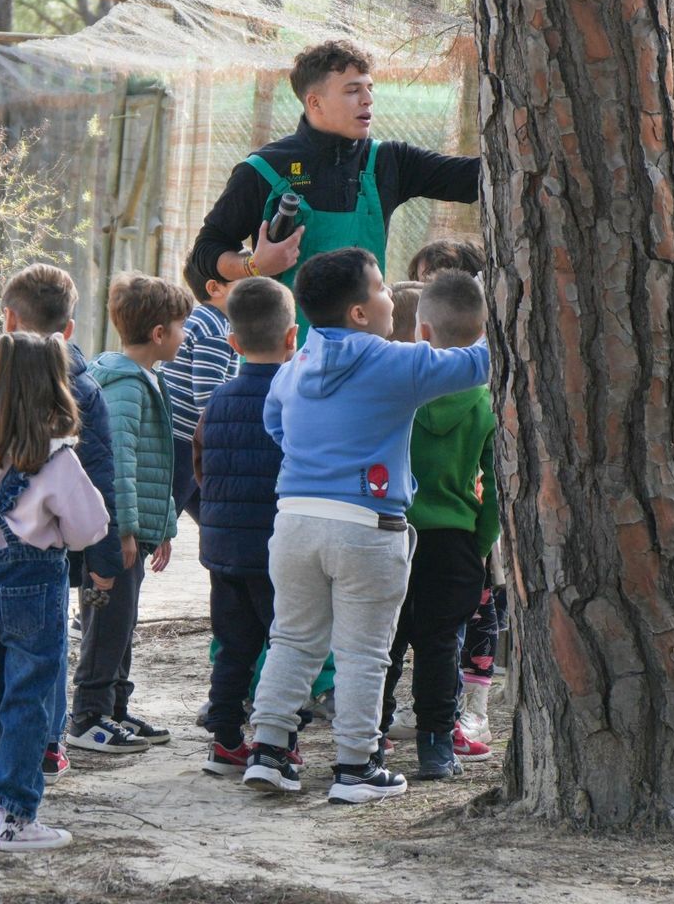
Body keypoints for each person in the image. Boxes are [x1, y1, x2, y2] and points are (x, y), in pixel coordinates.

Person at [240, 247, 490, 804]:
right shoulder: (392, 362)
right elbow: (479, 363)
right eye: (380, 289)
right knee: (362, 652)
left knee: (293, 639)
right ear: (358, 312)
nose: (388, 298)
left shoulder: (294, 367)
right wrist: (502, 302)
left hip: (295, 521)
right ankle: (356, 765)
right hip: (367, 526)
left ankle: (269, 749)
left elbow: (275, 424)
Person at [0, 263, 122, 787]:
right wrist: (103, 565)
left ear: (8, 319)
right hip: (38, 570)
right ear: (69, 332)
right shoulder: (79, 401)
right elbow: (97, 494)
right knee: (36, 674)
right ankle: (36, 763)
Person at [188, 40, 478, 335]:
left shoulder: (388, 161)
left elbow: (475, 179)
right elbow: (206, 250)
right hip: (284, 360)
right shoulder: (263, 170)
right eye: (352, 90)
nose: (367, 99)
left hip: (364, 355)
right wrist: (254, 265)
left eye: (369, 88)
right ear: (315, 102)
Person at [380, 271, 499, 779]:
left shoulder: (396, 396)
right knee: (440, 647)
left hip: (391, 534)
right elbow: (494, 485)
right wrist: (480, 540)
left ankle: (371, 740)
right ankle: (435, 747)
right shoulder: (485, 404)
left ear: (420, 332)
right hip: (454, 544)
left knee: (382, 646)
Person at [69, 273, 192, 753]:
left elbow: (152, 462)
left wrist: (157, 527)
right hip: (113, 534)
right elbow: (118, 464)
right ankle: (88, 716)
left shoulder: (143, 380)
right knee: (106, 621)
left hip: (132, 531)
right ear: (159, 334)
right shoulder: (123, 387)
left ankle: (115, 708)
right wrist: (122, 529)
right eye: (182, 327)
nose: (185, 336)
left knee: (123, 620)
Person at [193, 277, 298, 775]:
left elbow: (201, 465)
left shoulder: (217, 401)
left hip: (223, 546)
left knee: (233, 647)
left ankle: (225, 739)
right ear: (292, 337)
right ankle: (279, 739)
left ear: (232, 342)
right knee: (285, 643)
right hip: (275, 546)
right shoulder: (296, 399)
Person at [159, 262, 235, 524]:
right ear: (215, 288)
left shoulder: (206, 319)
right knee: (159, 522)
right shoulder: (215, 327)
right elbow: (208, 397)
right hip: (183, 440)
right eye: (246, 280)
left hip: (181, 435)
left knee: (215, 517)